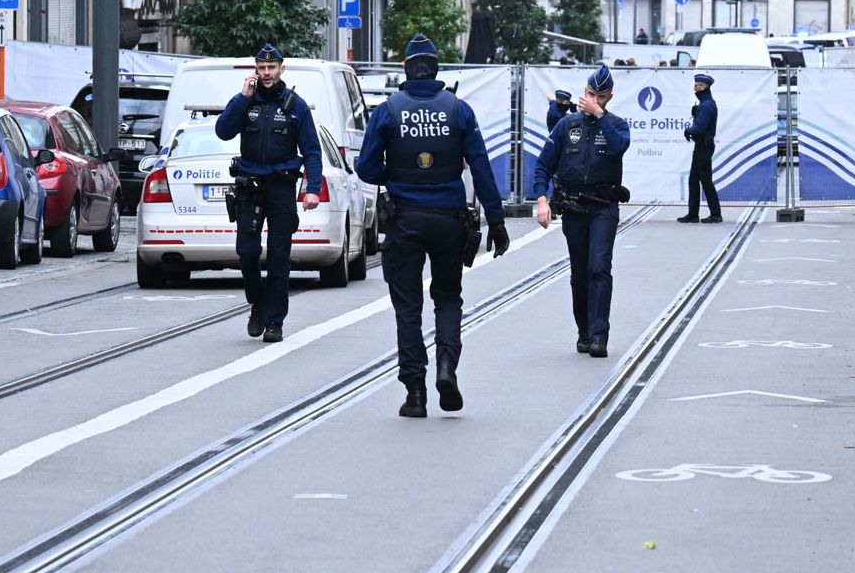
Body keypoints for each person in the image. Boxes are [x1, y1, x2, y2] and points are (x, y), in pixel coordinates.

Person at [356, 33, 510, 418]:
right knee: (447, 297)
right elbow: (481, 167)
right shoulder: (458, 109)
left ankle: (415, 393)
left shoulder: (389, 110)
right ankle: (446, 367)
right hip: (448, 220)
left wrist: (397, 170)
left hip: (404, 220)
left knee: (408, 307)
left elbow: (366, 169)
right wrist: (497, 219)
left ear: (406, 69)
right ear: (437, 69)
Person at [215, 42, 323, 343]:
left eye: (271, 68)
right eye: (261, 68)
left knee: (278, 257)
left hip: (281, 187)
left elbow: (312, 152)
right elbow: (223, 131)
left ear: (281, 69)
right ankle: (258, 304)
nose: (266, 73)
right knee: (246, 253)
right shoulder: (246, 102)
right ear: (256, 70)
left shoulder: (295, 105)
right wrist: (241, 98)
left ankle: (275, 320)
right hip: (250, 186)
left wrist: (311, 189)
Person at [532, 65, 631, 358]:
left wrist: (600, 117)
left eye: (599, 97)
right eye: (590, 94)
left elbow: (619, 148)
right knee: (579, 273)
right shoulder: (567, 125)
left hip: (603, 207)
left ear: (609, 97)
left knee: (599, 268)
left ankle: (599, 335)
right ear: (583, 92)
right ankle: (584, 332)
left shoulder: (616, 125)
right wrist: (541, 200)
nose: (593, 100)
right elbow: (543, 165)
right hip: (574, 207)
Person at [677, 72, 721, 224]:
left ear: (706, 87)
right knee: (693, 180)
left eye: (700, 85)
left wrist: (689, 130)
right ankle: (693, 213)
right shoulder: (705, 104)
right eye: (695, 85)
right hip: (701, 145)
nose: (696, 88)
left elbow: (700, 128)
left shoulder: (707, 105)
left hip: (704, 145)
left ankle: (716, 214)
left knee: (705, 180)